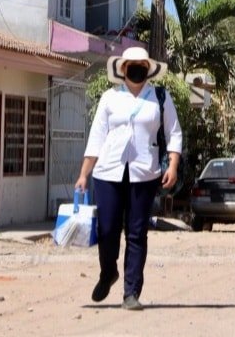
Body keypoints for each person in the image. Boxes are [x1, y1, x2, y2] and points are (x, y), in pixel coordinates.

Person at [76, 46, 182, 311]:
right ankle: (108, 271)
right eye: (131, 65)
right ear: (123, 69)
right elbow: (96, 137)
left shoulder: (159, 97)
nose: (136, 69)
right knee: (108, 229)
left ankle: (131, 292)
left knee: (137, 233)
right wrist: (83, 174)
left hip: (144, 173)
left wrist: (173, 165)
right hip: (108, 172)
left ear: (147, 69)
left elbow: (174, 132)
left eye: (141, 66)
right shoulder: (109, 97)